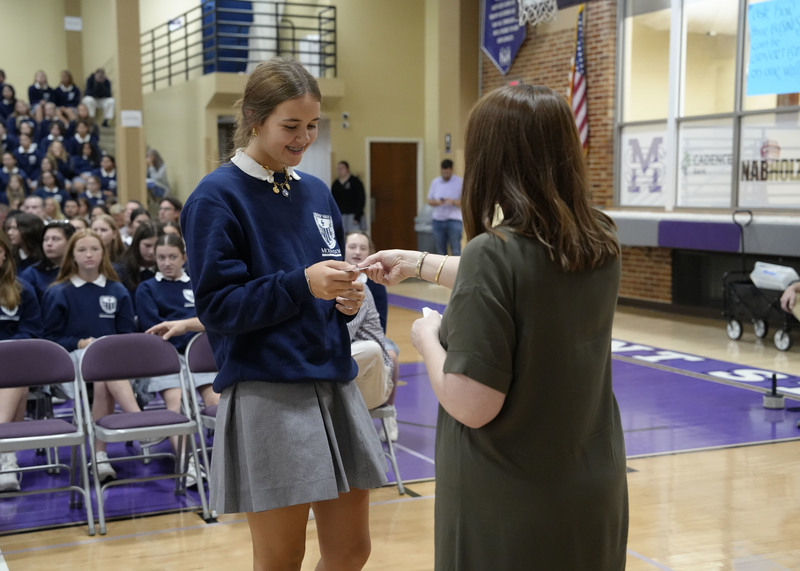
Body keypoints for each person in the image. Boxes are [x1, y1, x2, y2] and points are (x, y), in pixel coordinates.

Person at [361, 85, 629, 569]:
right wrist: (419, 262)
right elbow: (525, 277)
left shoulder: (495, 252)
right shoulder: (599, 240)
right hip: (592, 486)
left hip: (511, 499)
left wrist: (427, 341)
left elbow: (472, 403)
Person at [181, 57, 385, 570]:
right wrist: (300, 283)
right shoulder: (216, 197)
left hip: (333, 380)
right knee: (280, 559)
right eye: (290, 126)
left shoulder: (316, 193)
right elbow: (218, 307)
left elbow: (322, 288)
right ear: (254, 118)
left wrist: (345, 301)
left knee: (351, 550)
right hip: (268, 390)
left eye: (312, 125)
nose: (304, 138)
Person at [42, 229, 140, 481]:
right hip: (72, 361)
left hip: (113, 363)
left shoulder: (117, 290)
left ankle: (100, 457)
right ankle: (139, 423)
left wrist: (104, 347)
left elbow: (127, 334)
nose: (89, 255)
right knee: (100, 365)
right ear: (72, 256)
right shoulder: (59, 292)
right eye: (82, 250)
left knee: (103, 370)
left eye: (95, 249)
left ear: (103, 253)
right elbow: (50, 340)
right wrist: (80, 342)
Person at [136, 234, 220, 487]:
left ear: (184, 257)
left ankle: (223, 463)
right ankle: (189, 462)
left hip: (201, 356)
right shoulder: (147, 288)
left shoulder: (197, 284)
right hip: (167, 358)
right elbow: (154, 329)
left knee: (216, 404)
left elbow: (211, 319)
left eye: (173, 257)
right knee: (177, 405)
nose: (167, 262)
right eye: (161, 258)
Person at [344, 230, 400, 440]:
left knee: (387, 351)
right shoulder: (337, 282)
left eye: (363, 248)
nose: (357, 252)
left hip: (368, 349)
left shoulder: (366, 286)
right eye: (352, 247)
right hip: (355, 352)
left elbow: (346, 333)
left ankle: (389, 414)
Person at [0, 230, 43, 492]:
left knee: (15, 374)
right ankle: (7, 456)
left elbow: (32, 330)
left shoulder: (21, 289)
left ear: (5, 253)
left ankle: (6, 458)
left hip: (12, 361)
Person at [427, 159, 463, 256]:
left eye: (447, 172)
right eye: (443, 172)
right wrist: (438, 202)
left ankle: (456, 270)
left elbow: (465, 202)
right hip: (438, 220)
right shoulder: (435, 182)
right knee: (440, 252)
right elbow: (429, 200)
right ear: (441, 170)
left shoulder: (459, 182)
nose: (445, 174)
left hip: (454, 220)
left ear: (451, 170)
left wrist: (453, 202)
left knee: (456, 250)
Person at [331, 160, 366, 233]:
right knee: (342, 236)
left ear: (347, 169)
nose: (340, 170)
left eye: (342, 168)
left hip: (353, 215)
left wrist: (357, 216)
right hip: (341, 215)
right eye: (338, 169)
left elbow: (361, 199)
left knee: (354, 235)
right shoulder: (336, 184)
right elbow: (333, 201)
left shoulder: (355, 181)